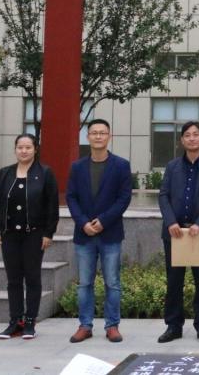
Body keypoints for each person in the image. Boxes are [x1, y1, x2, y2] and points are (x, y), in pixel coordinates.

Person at [0, 133, 59, 340]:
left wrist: (49, 232)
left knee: (32, 277)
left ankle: (30, 322)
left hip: (34, 234)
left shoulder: (45, 173)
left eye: (28, 147)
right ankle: (15, 321)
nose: (24, 151)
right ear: (15, 149)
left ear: (35, 149)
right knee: (13, 279)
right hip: (9, 234)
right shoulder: (5, 173)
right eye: (20, 147)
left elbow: (52, 205)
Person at [65, 119, 132, 344]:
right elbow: (71, 197)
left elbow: (124, 198)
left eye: (102, 133)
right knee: (85, 283)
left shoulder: (121, 165)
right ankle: (85, 325)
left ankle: (112, 326)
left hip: (110, 233)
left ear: (109, 136)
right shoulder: (77, 167)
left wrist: (103, 221)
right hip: (84, 234)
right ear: (88, 137)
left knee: (112, 282)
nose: (98, 136)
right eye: (94, 133)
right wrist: (83, 222)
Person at [156, 121, 199, 344]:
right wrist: (170, 222)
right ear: (182, 140)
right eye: (187, 135)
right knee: (174, 282)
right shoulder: (172, 166)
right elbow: (163, 195)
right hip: (175, 233)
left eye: (196, 134)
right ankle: (173, 326)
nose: (192, 138)